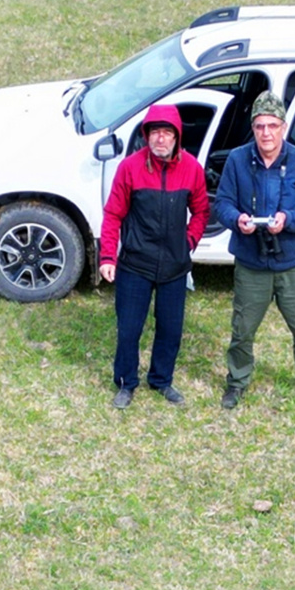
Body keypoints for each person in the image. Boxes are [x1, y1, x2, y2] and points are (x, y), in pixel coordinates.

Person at [212, 92, 295, 409]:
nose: (266, 133)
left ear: (284, 127)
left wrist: (287, 220)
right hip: (251, 264)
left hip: (292, 264)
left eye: (273, 126)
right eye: (260, 126)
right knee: (242, 331)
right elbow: (221, 204)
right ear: (253, 127)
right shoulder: (237, 159)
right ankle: (236, 382)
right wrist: (238, 220)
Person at [97, 103, 208, 407]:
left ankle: (161, 380)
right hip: (135, 264)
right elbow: (113, 215)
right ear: (146, 136)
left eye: (167, 132)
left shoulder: (192, 169)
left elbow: (201, 211)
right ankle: (125, 382)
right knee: (129, 329)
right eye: (155, 132)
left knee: (170, 330)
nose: (161, 139)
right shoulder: (129, 168)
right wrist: (108, 257)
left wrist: (189, 242)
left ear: (177, 137)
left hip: (175, 266)